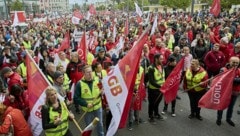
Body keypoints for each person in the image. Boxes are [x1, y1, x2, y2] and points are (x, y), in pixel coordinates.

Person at [74, 65, 104, 136]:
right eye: (88, 72)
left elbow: (101, 91)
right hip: (87, 109)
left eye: (91, 71)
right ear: (83, 73)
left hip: (97, 107)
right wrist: (85, 104)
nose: (90, 73)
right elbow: (76, 98)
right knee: (89, 127)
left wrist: (102, 92)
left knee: (100, 125)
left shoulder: (97, 80)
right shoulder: (79, 84)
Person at [216, 56, 240, 126]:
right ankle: (219, 119)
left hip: (234, 92)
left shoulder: (239, 70)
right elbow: (222, 79)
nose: (235, 64)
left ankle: (228, 119)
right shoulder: (223, 69)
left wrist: (231, 79)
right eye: (233, 62)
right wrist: (235, 79)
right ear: (229, 62)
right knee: (221, 106)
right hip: (224, 92)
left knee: (231, 107)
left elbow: (230, 79)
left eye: (237, 63)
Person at [147, 53, 165, 124]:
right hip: (153, 89)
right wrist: (160, 86)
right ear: (156, 59)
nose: (162, 60)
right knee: (152, 103)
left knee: (157, 102)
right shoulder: (151, 68)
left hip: (161, 89)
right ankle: (150, 116)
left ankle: (156, 113)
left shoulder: (162, 66)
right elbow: (151, 81)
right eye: (161, 59)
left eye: (162, 59)